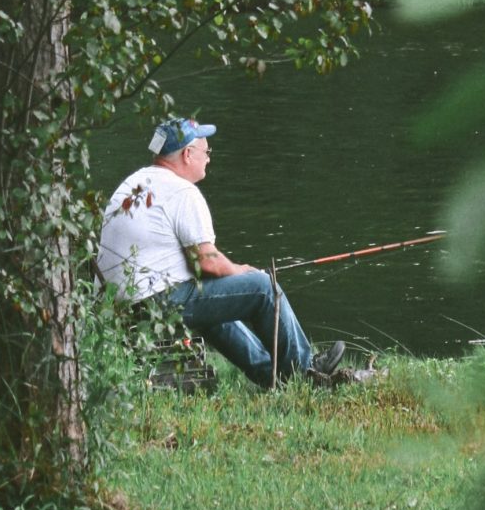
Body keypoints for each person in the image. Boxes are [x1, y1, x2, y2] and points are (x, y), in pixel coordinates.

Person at [96, 116, 360, 389]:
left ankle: (271, 375)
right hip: (155, 302)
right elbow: (207, 261)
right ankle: (303, 372)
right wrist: (241, 270)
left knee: (212, 295)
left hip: (122, 306)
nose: (209, 158)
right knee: (262, 288)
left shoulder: (134, 183)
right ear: (187, 154)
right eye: (206, 152)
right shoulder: (181, 192)